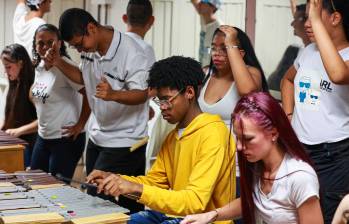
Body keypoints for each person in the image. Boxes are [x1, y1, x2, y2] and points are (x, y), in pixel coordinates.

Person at [87, 56, 236, 224]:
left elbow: (195, 201)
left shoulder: (213, 134)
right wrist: (116, 180)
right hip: (175, 214)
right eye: (158, 100)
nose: (162, 107)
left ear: (189, 92)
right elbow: (154, 183)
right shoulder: (173, 137)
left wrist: (135, 187)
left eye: (166, 99)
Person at [47, 8, 149, 213]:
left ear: (91, 28)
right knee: (117, 205)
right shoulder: (89, 51)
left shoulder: (132, 52)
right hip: (98, 136)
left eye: (78, 44)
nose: (78, 50)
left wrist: (114, 94)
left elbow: (143, 93)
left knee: (97, 206)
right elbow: (84, 78)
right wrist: (58, 62)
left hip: (124, 140)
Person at [181, 92, 323, 224]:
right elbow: (251, 201)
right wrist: (211, 215)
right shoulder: (258, 165)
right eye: (238, 138)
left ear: (273, 133)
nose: (239, 147)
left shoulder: (300, 177)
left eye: (248, 139)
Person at [281, 0, 349, 222]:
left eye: (314, 17)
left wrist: (316, 21)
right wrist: (290, 118)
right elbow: (287, 81)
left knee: (329, 217)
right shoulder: (308, 51)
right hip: (300, 151)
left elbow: (338, 75)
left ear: (335, 18)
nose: (308, 24)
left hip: (335, 155)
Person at [199, 25, 268, 224]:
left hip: (238, 167)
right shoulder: (204, 75)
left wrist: (232, 43)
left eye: (224, 48)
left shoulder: (250, 73)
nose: (217, 54)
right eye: (214, 48)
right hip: (208, 165)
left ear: (240, 53)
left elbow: (247, 90)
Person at [30, 24, 89, 180]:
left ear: (60, 43)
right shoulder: (40, 67)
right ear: (35, 45)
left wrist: (80, 124)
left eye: (50, 42)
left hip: (65, 139)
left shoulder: (66, 66)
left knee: (57, 190)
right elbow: (37, 95)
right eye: (40, 43)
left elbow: (89, 94)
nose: (45, 47)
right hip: (43, 137)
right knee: (35, 182)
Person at [0, 44, 37, 168]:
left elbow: (44, 120)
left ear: (21, 63)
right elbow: (9, 116)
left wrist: (18, 131)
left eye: (9, 67)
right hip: (15, 143)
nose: (6, 72)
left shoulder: (34, 85)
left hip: (28, 145)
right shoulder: (13, 83)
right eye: (4, 68)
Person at [191, 0, 223, 67]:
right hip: (203, 64)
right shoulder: (203, 17)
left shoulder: (219, 27)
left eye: (203, 2)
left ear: (213, 7)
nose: (199, 4)